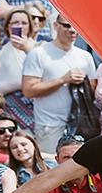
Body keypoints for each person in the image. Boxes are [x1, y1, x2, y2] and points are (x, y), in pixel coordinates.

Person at [19, 14, 97, 148]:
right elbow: (28, 90)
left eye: (76, 26)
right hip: (50, 126)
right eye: (67, 25)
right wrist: (62, 80)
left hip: (82, 125)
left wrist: (81, 83)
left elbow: (93, 89)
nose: (72, 30)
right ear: (55, 26)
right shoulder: (39, 53)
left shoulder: (85, 56)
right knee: (52, 164)